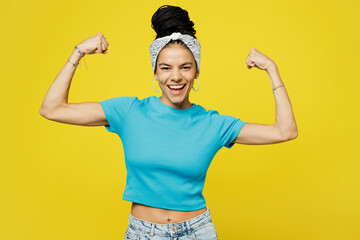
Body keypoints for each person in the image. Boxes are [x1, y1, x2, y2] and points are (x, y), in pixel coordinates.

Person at [39, 4, 297, 240]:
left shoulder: (213, 124)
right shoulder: (129, 111)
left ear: (197, 71)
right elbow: (52, 109)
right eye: (166, 68)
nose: (175, 77)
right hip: (142, 232)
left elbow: (285, 131)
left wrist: (272, 70)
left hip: (197, 231)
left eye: (185, 67)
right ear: (155, 72)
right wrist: (79, 52)